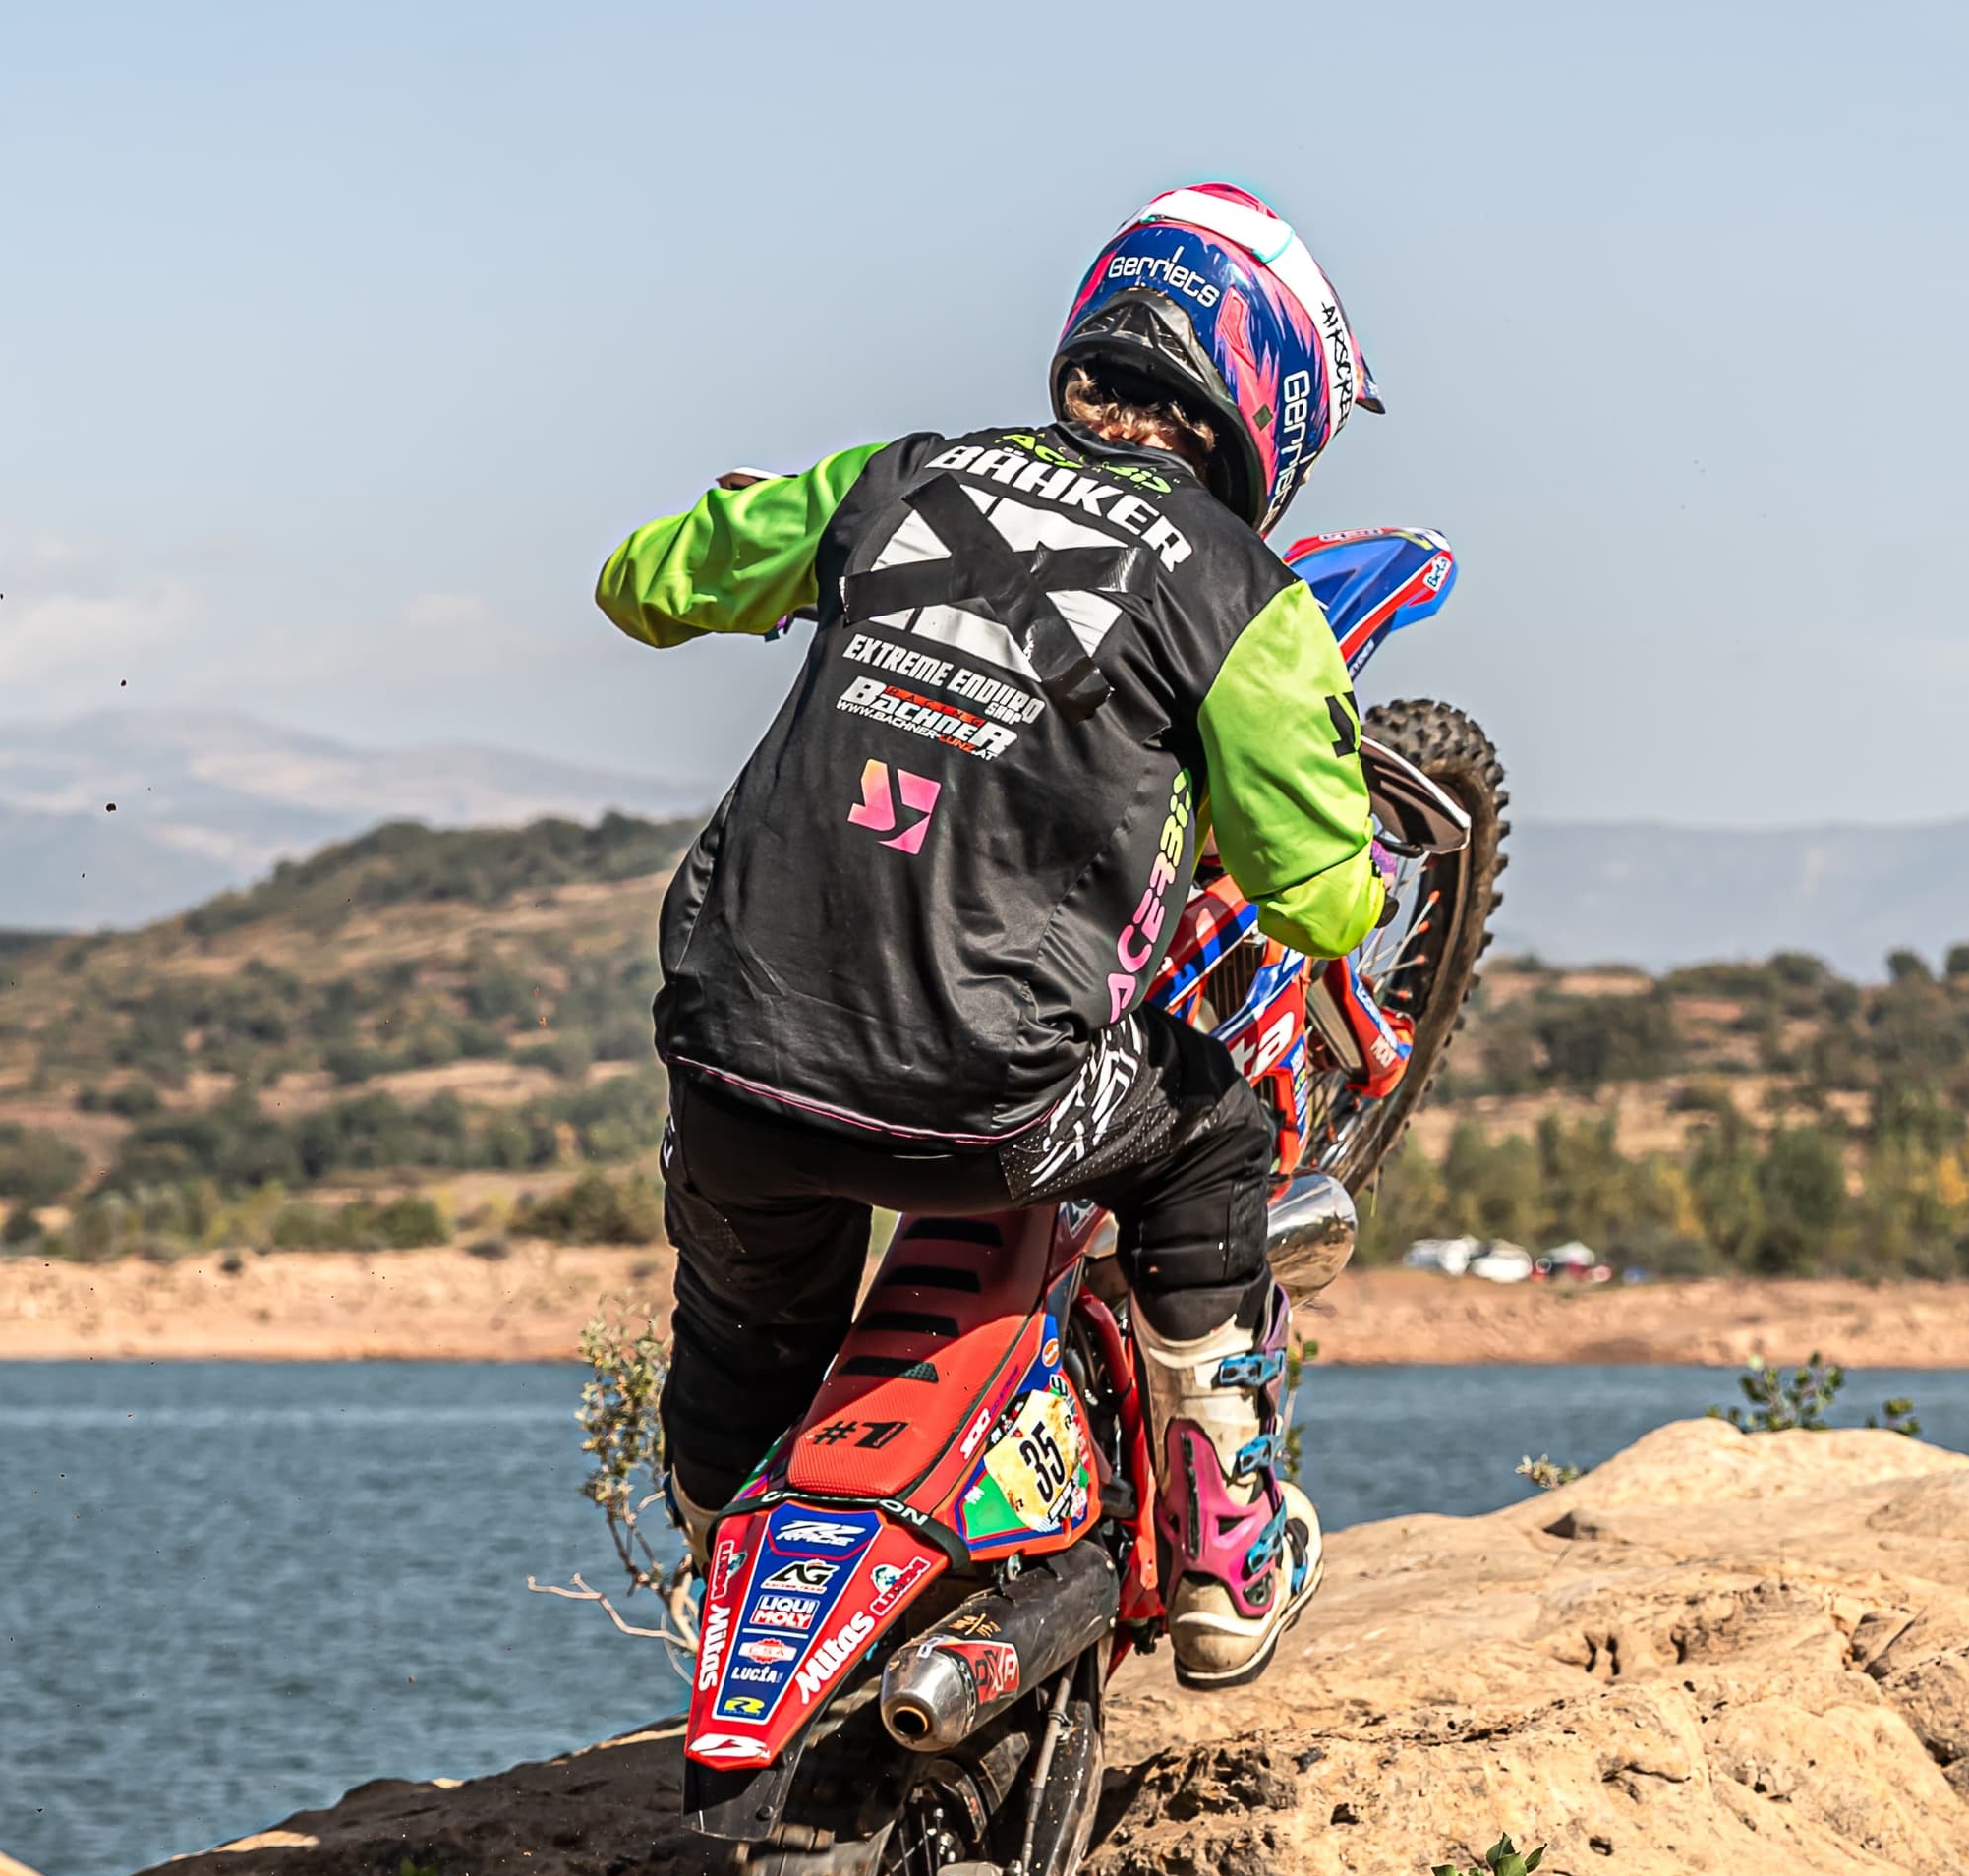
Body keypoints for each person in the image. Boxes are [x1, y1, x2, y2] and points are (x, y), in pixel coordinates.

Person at [594, 183, 1388, 1687]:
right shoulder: (1241, 593)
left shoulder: (895, 480)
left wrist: (797, 554)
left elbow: (640, 582)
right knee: (1214, 1135)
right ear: (1271, 400)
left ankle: (735, 1588)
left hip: (729, 1058)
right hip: (989, 1104)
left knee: (746, 1335)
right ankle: (1227, 1556)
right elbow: (1321, 901)